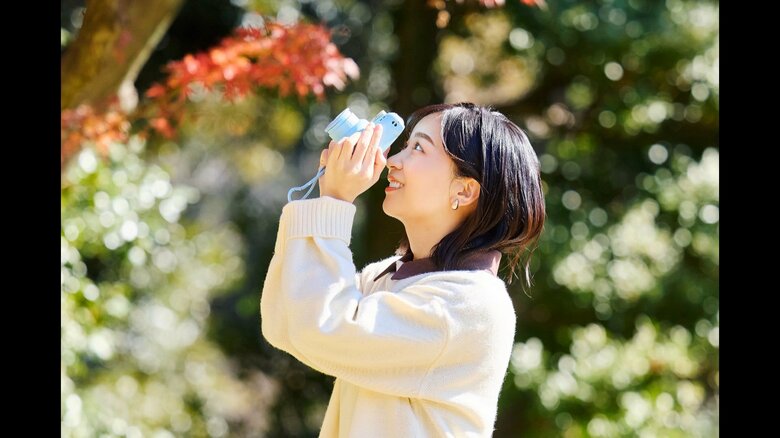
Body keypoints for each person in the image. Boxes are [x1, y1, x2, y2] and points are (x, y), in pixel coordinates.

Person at [260, 102, 546, 437]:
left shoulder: (470, 304)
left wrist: (335, 202)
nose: (392, 161)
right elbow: (286, 323)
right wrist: (329, 199)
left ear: (464, 190)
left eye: (418, 148)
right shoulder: (388, 276)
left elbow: (323, 327)